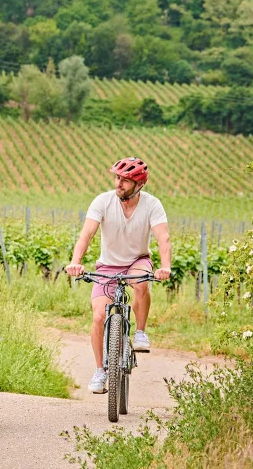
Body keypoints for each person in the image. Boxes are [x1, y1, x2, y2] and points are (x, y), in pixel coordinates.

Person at [65, 157, 172, 394]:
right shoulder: (103, 201)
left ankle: (141, 331)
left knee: (142, 282)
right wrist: (76, 262)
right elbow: (86, 235)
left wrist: (165, 267)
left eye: (125, 180)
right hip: (107, 266)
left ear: (139, 184)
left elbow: (163, 237)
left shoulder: (152, 205)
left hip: (137, 261)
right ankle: (100, 370)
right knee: (97, 317)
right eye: (117, 178)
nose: (119, 183)